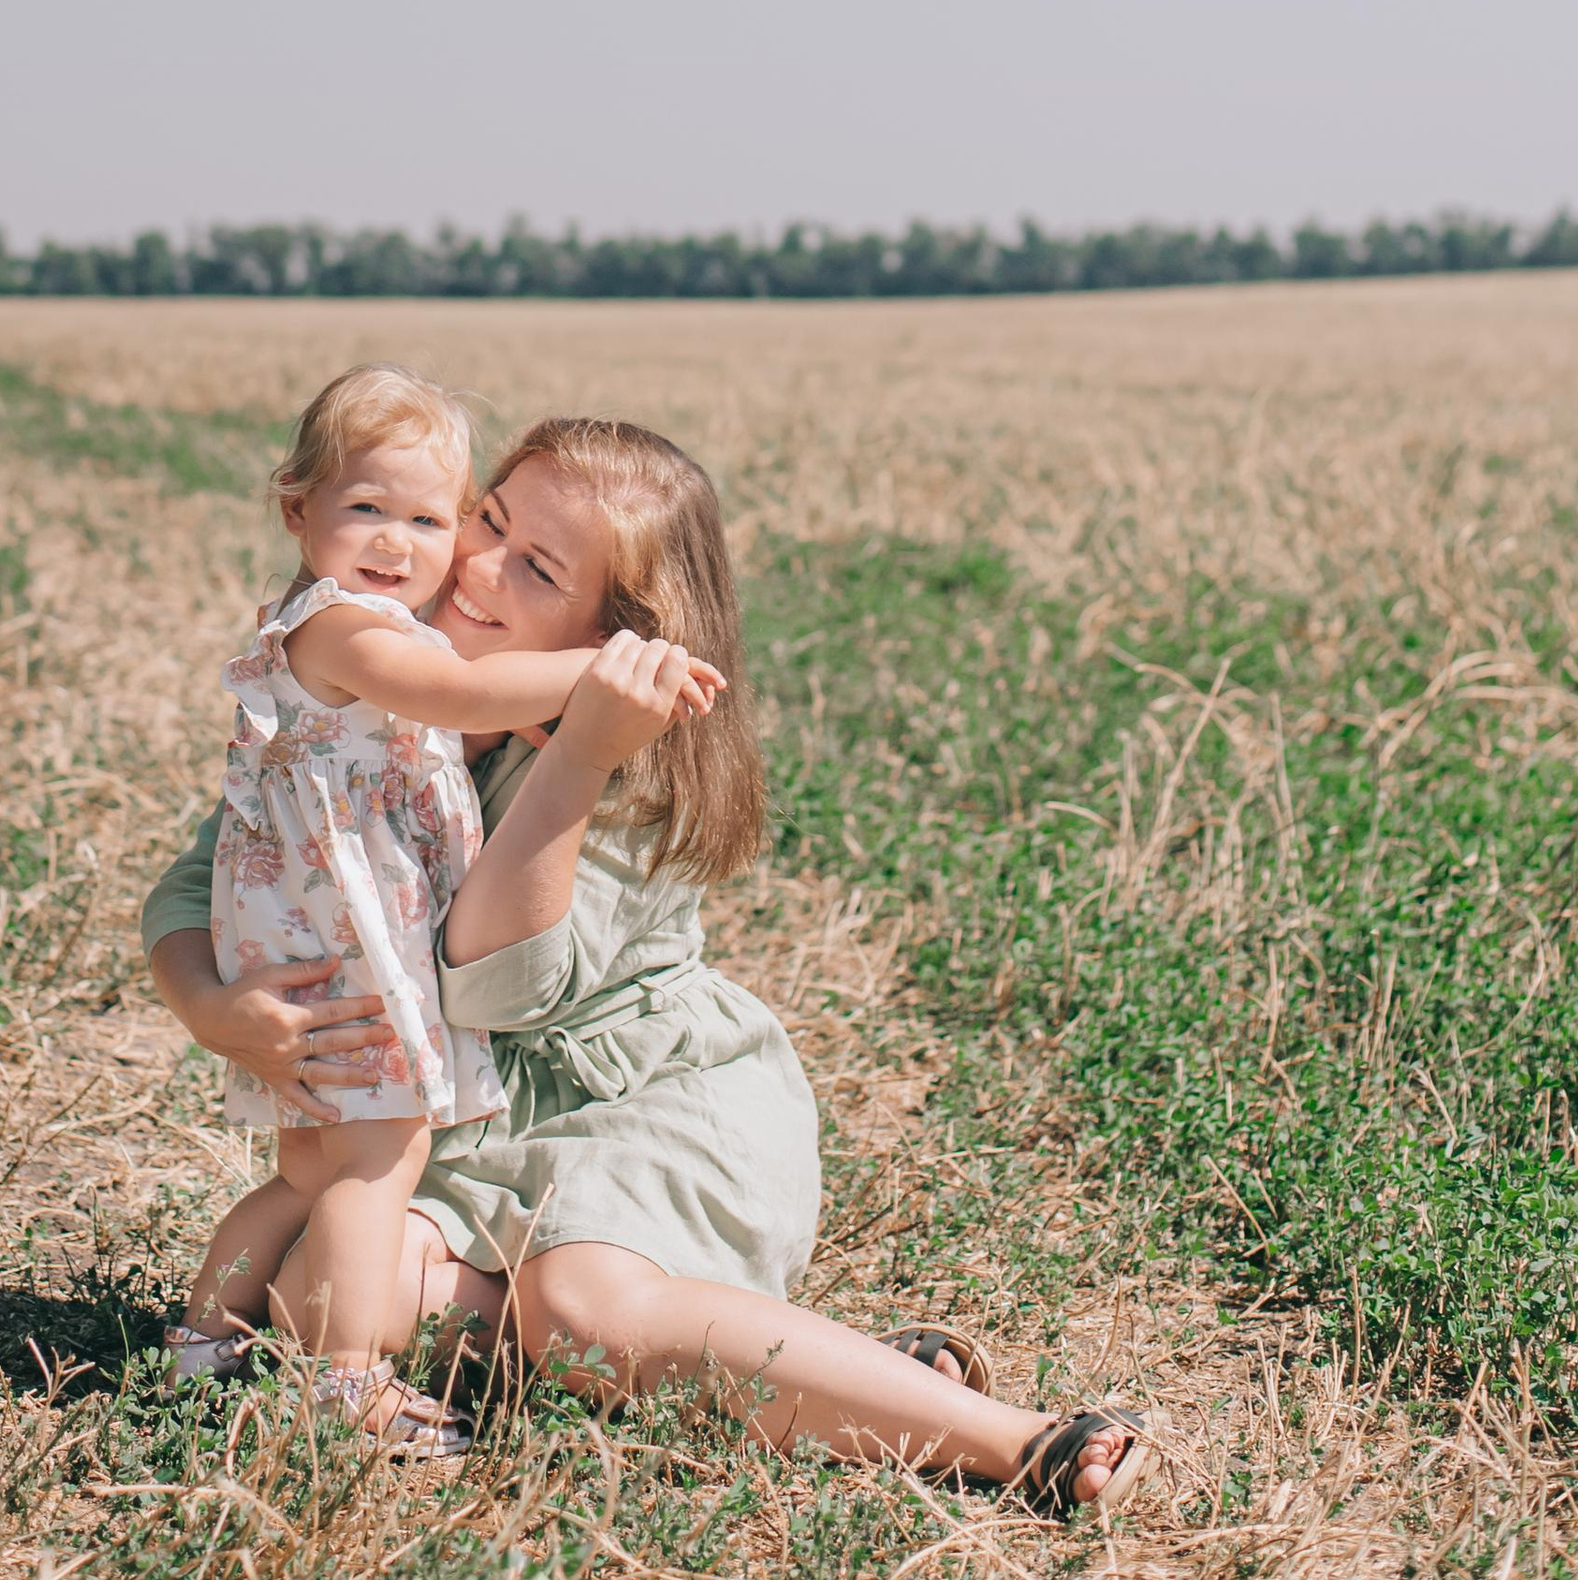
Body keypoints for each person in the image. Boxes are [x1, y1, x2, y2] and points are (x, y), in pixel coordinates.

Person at [147, 411, 1147, 1518]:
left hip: (640, 1100)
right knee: (320, 1304)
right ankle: (802, 1369)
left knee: (578, 1306)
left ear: (612, 636)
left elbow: (497, 986)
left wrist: (577, 755)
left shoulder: (633, 761)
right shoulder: (371, 689)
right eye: (488, 519)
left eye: (538, 569)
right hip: (477, 1117)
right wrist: (208, 1003)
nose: (476, 565)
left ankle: (1024, 1443)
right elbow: (204, 878)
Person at [169, 368, 721, 1460]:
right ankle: (347, 1382)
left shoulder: (371, 629)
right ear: (298, 511)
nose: (401, 542)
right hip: (346, 951)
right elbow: (458, 697)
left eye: (429, 518)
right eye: (366, 508)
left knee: (311, 1175)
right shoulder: (344, 629)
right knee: (379, 1160)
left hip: (326, 944)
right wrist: (602, 677)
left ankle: (200, 1340)